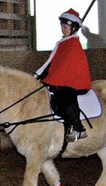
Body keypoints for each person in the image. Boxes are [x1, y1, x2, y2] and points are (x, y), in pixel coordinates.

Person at [35, 8, 92, 142]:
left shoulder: (72, 44)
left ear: (73, 28)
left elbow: (64, 67)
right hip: (61, 79)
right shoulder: (63, 42)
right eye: (62, 26)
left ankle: (78, 128)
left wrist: (44, 77)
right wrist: (36, 76)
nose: (63, 29)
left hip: (71, 82)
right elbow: (51, 63)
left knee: (65, 99)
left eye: (65, 26)